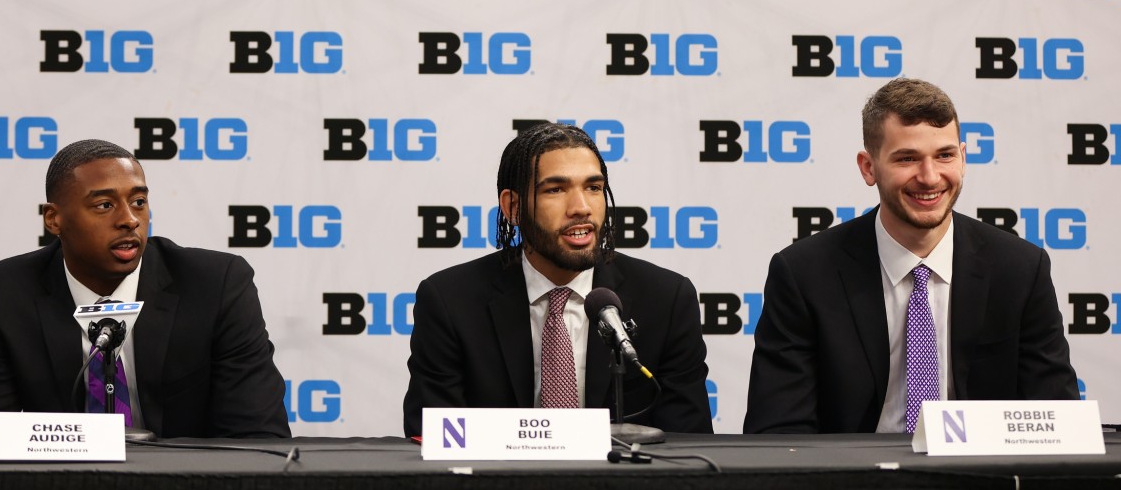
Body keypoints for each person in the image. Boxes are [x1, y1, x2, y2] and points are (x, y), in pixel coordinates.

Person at [744, 78, 1078, 434]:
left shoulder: (1021, 270)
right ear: (868, 167)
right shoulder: (804, 274)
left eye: (945, 155)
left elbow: (1056, 423)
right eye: (907, 158)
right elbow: (779, 433)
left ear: (963, 158)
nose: (930, 177)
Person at [0, 139, 291, 438]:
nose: (129, 219)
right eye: (104, 205)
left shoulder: (216, 285)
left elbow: (257, 437)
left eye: (139, 202)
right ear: (54, 219)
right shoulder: (3, 294)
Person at [403, 122, 712, 437]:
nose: (581, 208)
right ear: (513, 207)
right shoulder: (450, 301)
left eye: (593, 187)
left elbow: (688, 445)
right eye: (555, 189)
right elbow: (433, 437)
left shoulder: (666, 299)